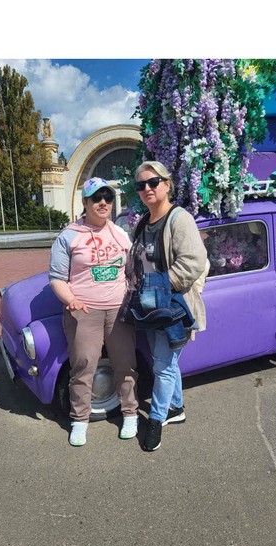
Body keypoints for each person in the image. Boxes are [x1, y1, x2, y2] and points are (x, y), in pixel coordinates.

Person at [123, 161, 209, 451]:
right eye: (141, 185)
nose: (147, 188)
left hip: (173, 306)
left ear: (167, 184)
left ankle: (156, 420)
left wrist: (160, 285)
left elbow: (194, 261)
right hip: (148, 306)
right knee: (166, 363)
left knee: (163, 365)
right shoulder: (143, 223)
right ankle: (177, 407)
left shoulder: (179, 219)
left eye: (153, 182)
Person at [49, 177, 138, 446]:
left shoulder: (120, 233)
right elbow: (57, 278)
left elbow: (132, 269)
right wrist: (71, 300)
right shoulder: (69, 235)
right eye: (96, 198)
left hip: (118, 310)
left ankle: (130, 414)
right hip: (84, 311)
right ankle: (79, 420)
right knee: (83, 366)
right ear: (85, 202)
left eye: (107, 198)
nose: (103, 203)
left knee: (125, 364)